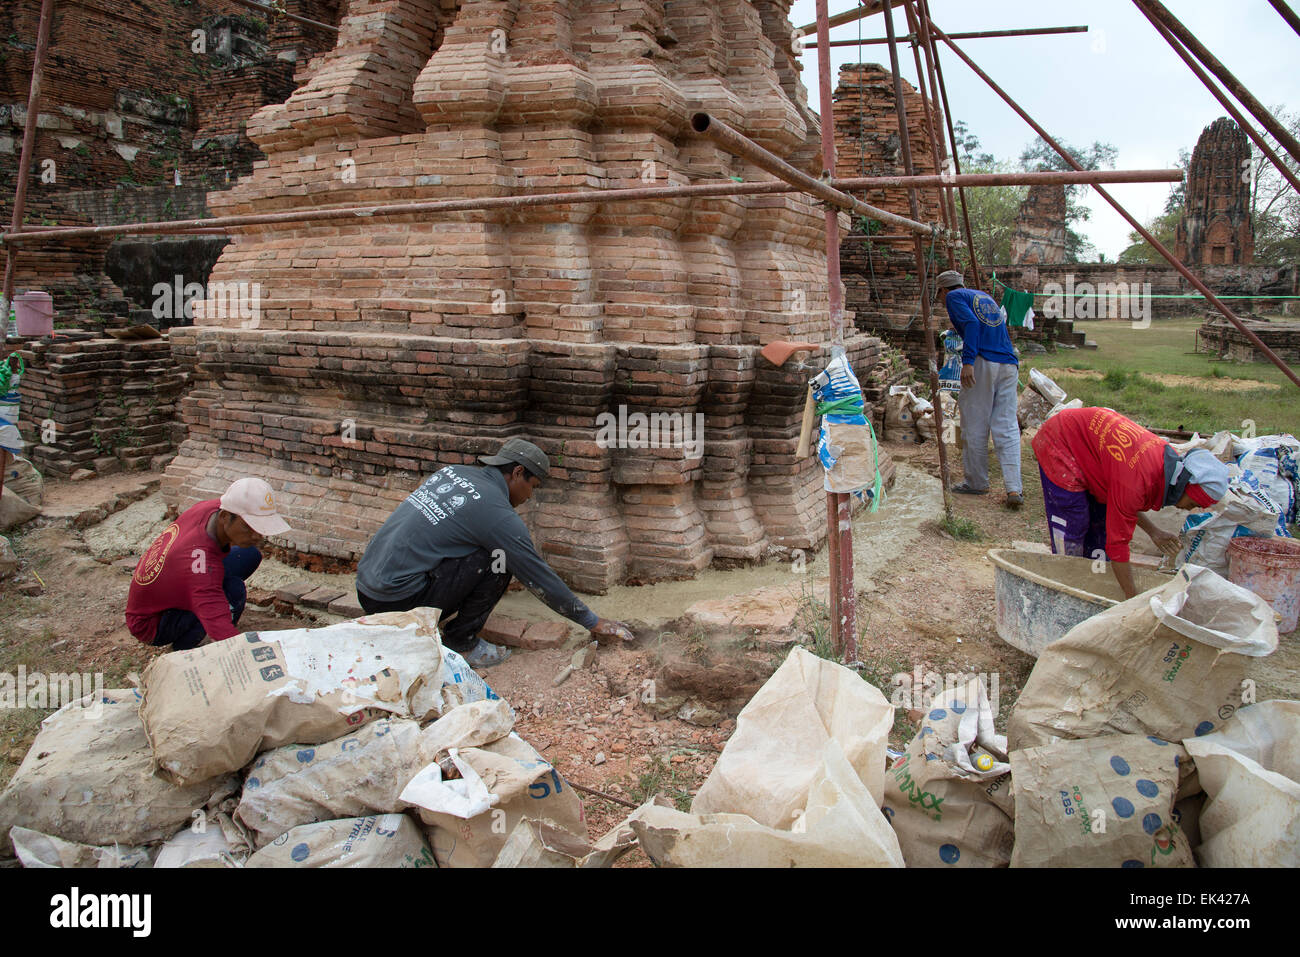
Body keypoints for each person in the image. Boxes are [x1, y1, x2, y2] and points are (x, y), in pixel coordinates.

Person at [356, 438, 633, 668]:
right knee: (500, 559)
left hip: (367, 590)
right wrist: (592, 621)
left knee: (482, 547)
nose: (529, 497)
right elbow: (538, 576)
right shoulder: (497, 515)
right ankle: (461, 643)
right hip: (397, 602)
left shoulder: (452, 473)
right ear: (516, 473)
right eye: (532, 487)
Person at [1032, 406, 1230, 599]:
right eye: (1195, 502)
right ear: (1186, 485)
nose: (1191, 508)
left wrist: (1154, 532)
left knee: (1100, 528)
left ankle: (1092, 586)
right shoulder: (1138, 478)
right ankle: (1064, 586)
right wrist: (1131, 598)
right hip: (1061, 439)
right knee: (1073, 524)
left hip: (1091, 449)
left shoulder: (1163, 463)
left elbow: (1125, 505)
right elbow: (1118, 544)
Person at [126, 477, 290, 649]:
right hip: (152, 623)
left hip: (174, 586)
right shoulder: (200, 566)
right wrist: (248, 653)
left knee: (249, 554)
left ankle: (201, 610)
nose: (258, 536)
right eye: (249, 527)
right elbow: (220, 626)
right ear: (226, 517)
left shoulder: (211, 509)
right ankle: (185, 648)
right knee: (234, 591)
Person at [935, 269, 1024, 509]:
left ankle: (976, 482)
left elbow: (972, 324)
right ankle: (1014, 487)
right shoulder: (983, 296)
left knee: (974, 423)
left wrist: (968, 362)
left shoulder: (954, 298)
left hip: (984, 362)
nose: (942, 301)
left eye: (940, 296)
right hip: (1008, 362)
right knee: (1006, 425)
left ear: (943, 290)